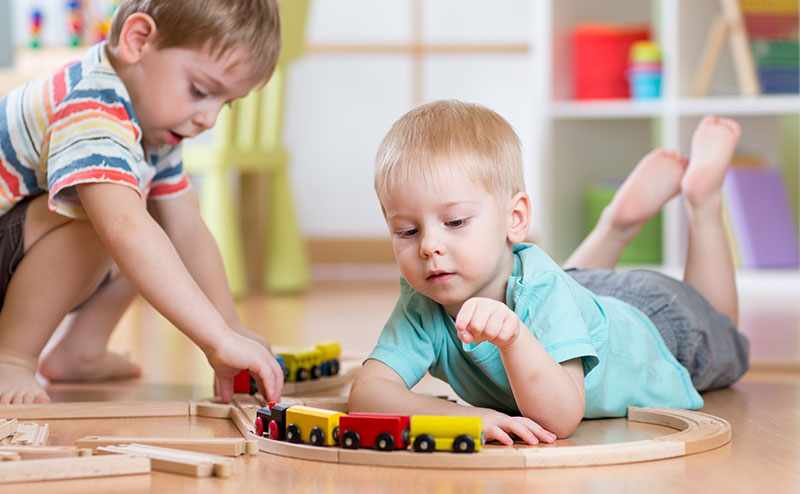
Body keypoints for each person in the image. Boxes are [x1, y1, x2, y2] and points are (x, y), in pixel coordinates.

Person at [348, 100, 750, 445]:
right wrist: (465, 420)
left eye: (454, 222)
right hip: (583, 293)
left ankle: (703, 203)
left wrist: (513, 338)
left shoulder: (541, 289)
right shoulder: (423, 303)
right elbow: (367, 395)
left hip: (655, 327)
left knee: (724, 331)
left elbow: (560, 417)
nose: (428, 246)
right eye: (407, 231)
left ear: (515, 218)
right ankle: (617, 225)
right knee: (567, 283)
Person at [0, 0, 286, 405]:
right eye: (200, 91)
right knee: (114, 221)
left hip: (15, 251)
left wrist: (230, 326)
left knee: (148, 220)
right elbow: (125, 231)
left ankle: (79, 351)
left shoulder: (151, 123)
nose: (209, 119)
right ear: (138, 41)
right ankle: (10, 357)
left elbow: (186, 227)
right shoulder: (91, 104)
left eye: (224, 103)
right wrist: (215, 340)